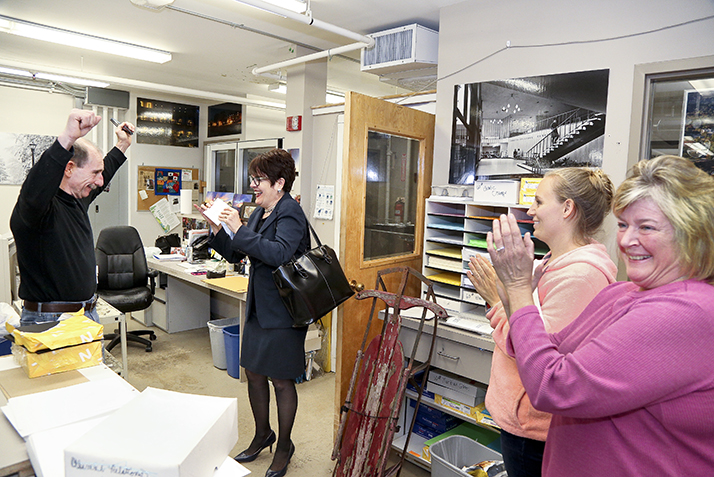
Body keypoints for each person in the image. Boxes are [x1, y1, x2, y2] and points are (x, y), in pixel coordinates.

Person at [486, 155, 714, 476]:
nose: (626, 240)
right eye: (623, 225)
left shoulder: (685, 313)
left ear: (691, 233)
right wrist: (512, 297)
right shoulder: (625, 293)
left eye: (646, 227)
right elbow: (548, 347)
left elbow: (553, 385)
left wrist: (519, 290)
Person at [467, 168, 617, 477]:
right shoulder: (550, 263)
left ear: (567, 209)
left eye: (537, 201)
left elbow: (537, 354)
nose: (529, 210)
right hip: (523, 421)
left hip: (534, 430)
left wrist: (498, 301)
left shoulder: (581, 276)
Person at [196, 148, 309, 477]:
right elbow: (237, 253)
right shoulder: (261, 212)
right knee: (255, 374)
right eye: (253, 179)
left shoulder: (291, 213)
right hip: (260, 307)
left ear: (280, 183)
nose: (253, 186)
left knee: (282, 381)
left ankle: (285, 445)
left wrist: (240, 227)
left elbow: (279, 253)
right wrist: (218, 229)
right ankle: (263, 434)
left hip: (285, 312)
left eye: (259, 180)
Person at [11, 109, 134, 326]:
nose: (99, 182)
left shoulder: (78, 199)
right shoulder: (37, 210)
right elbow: (36, 183)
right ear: (69, 168)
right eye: (94, 173)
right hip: (49, 321)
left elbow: (105, 174)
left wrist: (122, 145)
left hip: (86, 314)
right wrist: (67, 138)